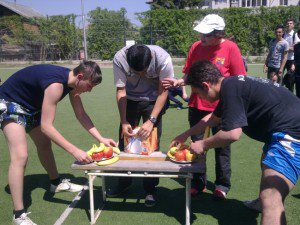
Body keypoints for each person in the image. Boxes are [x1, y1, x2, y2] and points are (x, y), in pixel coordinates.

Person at [171, 60, 300, 225]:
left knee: (271, 195)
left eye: (197, 93)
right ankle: (261, 203)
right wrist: (184, 135)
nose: (199, 97)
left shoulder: (231, 89)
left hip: (292, 133)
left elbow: (232, 134)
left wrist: (202, 144)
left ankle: (266, 202)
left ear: (206, 85)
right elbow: (212, 119)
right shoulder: (230, 86)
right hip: (280, 131)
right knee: (266, 163)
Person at [0, 61, 117, 225]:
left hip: (31, 106)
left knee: (44, 145)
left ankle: (56, 184)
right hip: (10, 102)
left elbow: (81, 114)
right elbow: (47, 127)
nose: (89, 90)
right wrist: (74, 151)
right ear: (80, 77)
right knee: (21, 156)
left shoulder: (73, 84)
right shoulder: (55, 85)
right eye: (89, 86)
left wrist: (101, 139)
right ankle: (18, 215)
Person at [162, 14, 246, 199]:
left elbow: (239, 79)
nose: (201, 38)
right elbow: (188, 74)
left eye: (206, 35)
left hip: (222, 108)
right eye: (201, 34)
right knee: (195, 146)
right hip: (197, 105)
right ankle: (198, 182)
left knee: (222, 147)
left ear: (218, 34)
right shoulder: (195, 47)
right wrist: (179, 82)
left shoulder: (231, 48)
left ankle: (222, 185)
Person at [107, 44, 174, 207]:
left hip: (154, 100)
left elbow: (163, 92)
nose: (141, 75)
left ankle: (150, 189)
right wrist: (124, 121)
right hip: (130, 100)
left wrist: (151, 120)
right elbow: (121, 91)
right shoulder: (120, 58)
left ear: (151, 59)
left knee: (152, 145)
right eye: (136, 72)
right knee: (125, 141)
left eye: (143, 71)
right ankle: (124, 182)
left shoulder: (163, 59)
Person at [282, 18, 300, 92]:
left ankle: (291, 97)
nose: (289, 24)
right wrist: (289, 47)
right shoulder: (283, 35)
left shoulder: (295, 34)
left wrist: (286, 48)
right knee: (279, 78)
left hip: (292, 60)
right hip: (283, 59)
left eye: (290, 23)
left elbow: (295, 48)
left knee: (290, 81)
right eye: (288, 23)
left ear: (293, 25)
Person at [294, 29, 300, 98]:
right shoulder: (296, 46)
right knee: (298, 92)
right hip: (298, 72)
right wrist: (293, 64)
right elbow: (295, 58)